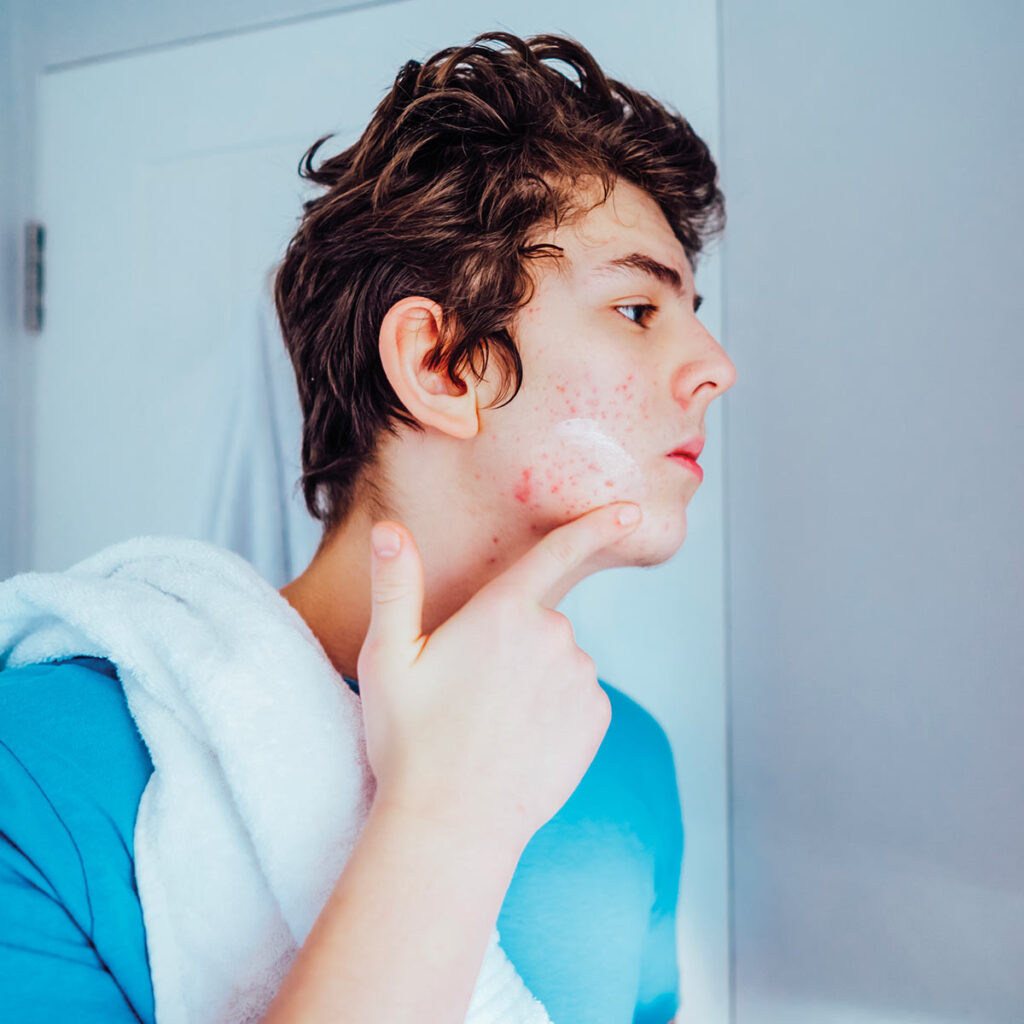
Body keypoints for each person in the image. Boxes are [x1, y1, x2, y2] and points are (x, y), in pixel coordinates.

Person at [0, 30, 736, 1024]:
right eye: (639, 308)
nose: (715, 365)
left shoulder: (625, 756)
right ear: (439, 364)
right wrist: (445, 817)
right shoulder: (36, 763)